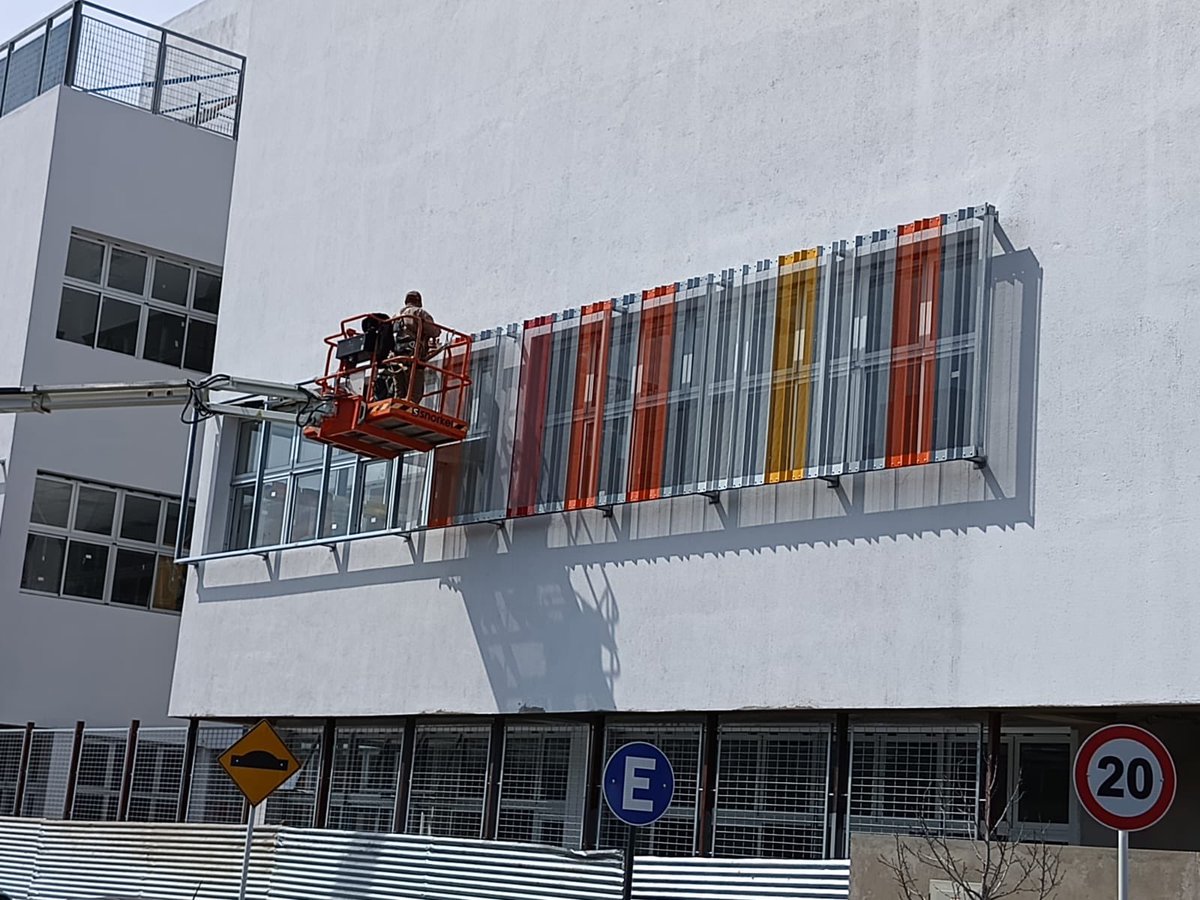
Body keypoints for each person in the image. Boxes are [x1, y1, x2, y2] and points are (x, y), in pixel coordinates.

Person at [380, 290, 441, 402]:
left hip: (396, 360)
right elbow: (435, 331)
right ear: (418, 302)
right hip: (412, 359)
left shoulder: (395, 316)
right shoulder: (418, 313)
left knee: (400, 393)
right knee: (414, 395)